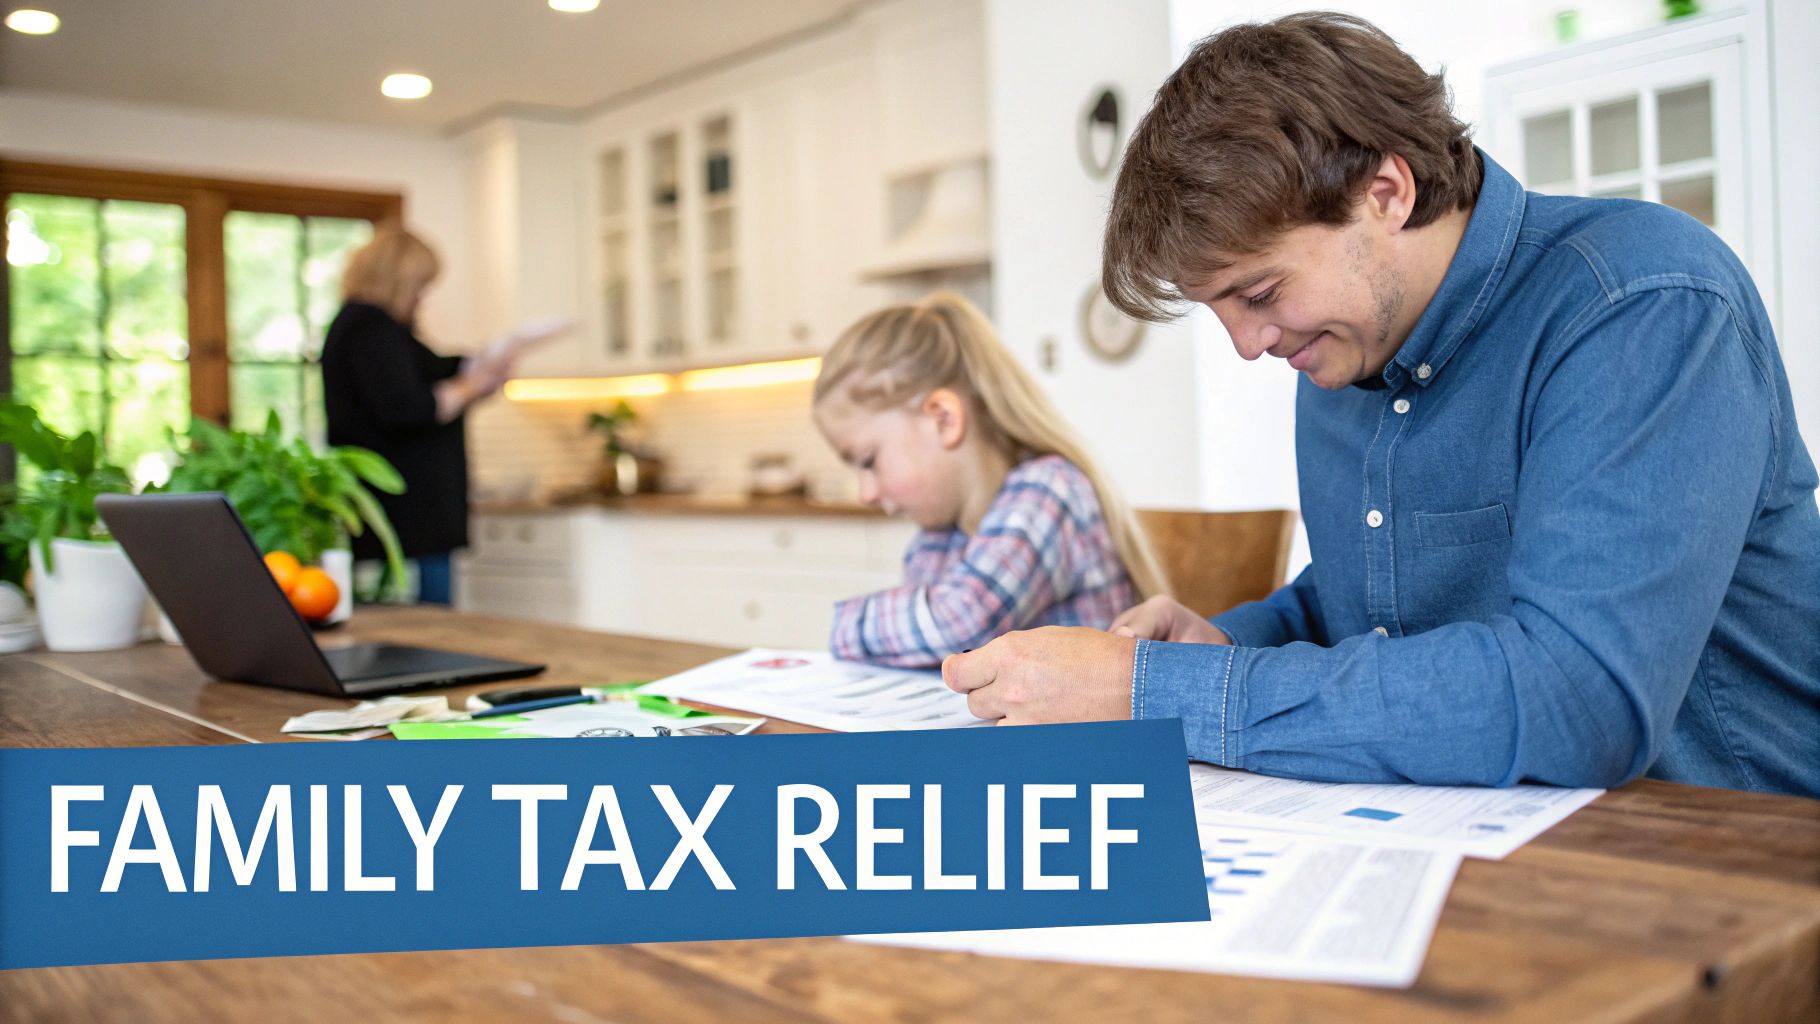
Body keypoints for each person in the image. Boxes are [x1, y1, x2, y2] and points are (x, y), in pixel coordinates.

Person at [941, 13, 1820, 796]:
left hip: (1736, 860)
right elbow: (1373, 597)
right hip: (1499, 842)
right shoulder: (1340, 346)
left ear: (1386, 194)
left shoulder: (1640, 301)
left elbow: (1580, 697)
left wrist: (1152, 692)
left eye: (1259, 293)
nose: (1250, 345)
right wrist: (1225, 642)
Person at [814, 291, 1166, 668]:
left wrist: (841, 624)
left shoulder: (1047, 491)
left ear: (943, 419)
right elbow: (923, 649)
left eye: (868, 461)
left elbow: (959, 622)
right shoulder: (942, 533)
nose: (866, 493)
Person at [322, 228, 567, 604]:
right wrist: (471, 385)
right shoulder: (369, 327)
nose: (422, 299)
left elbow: (434, 372)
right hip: (406, 522)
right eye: (419, 286)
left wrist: (478, 369)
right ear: (396, 278)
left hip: (414, 521)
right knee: (424, 633)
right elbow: (407, 408)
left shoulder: (381, 330)